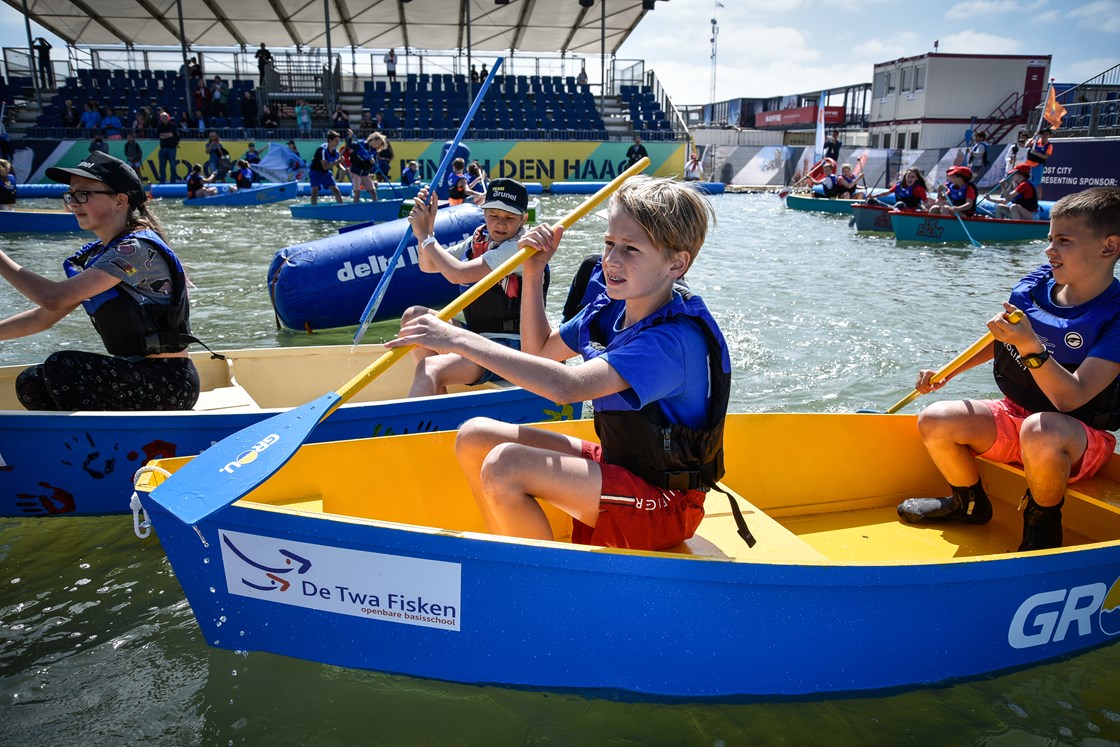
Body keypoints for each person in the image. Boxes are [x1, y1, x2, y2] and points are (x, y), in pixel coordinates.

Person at [387, 176, 728, 552]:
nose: (611, 260)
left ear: (677, 263)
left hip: (665, 503)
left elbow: (567, 386)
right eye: (609, 243)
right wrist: (533, 271)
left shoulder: (669, 342)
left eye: (631, 249)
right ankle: (505, 550)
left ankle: (538, 586)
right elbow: (540, 350)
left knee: (506, 465)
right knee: (474, 436)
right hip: (620, 465)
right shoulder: (612, 307)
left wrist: (456, 338)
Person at [896, 187, 1120, 552]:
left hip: (1077, 439)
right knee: (935, 419)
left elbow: (1070, 398)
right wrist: (948, 372)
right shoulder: (1035, 287)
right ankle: (969, 504)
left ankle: (1042, 523)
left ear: (1108, 247)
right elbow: (1002, 339)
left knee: (1041, 428)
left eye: (1064, 241)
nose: (1050, 250)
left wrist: (1030, 344)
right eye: (1050, 239)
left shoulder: (1116, 314)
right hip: (1019, 415)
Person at [0, 151, 202, 411]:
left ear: (120, 201)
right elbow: (44, 317)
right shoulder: (101, 256)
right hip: (136, 375)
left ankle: (93, 448)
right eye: (71, 194)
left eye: (84, 194)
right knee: (31, 382)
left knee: (63, 367)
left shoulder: (136, 250)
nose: (73, 203)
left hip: (169, 382)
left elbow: (53, 297)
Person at [397, 178, 535, 398]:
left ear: (524, 218)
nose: (500, 224)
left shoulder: (521, 247)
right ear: (484, 213)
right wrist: (428, 230)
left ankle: (423, 415)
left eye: (509, 218)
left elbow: (457, 274)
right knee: (414, 317)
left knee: (429, 368)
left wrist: (424, 236)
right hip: (477, 337)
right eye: (494, 216)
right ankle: (436, 411)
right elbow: (428, 265)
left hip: (509, 349)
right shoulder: (478, 239)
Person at [308, 130, 343, 205]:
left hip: (326, 173)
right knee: (315, 191)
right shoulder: (322, 150)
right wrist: (338, 162)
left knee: (336, 190)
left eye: (338, 141)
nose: (338, 143)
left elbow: (337, 164)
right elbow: (325, 166)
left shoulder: (335, 151)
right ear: (330, 140)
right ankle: (314, 208)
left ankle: (341, 206)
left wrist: (344, 169)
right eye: (336, 141)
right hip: (315, 172)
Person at [344, 129, 379, 203]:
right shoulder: (361, 145)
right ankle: (354, 207)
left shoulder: (373, 150)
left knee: (373, 191)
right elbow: (349, 145)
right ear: (372, 140)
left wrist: (372, 162)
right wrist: (350, 137)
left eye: (377, 144)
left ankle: (376, 205)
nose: (376, 145)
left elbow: (373, 163)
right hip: (356, 171)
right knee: (357, 192)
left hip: (365, 173)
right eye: (376, 142)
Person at [1026, 126, 1054, 200]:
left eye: (1047, 134)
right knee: (1028, 182)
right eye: (1043, 134)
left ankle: (1038, 199)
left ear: (1049, 136)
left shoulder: (1049, 145)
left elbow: (1045, 156)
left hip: (1038, 165)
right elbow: (1026, 145)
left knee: (1037, 183)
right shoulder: (1036, 142)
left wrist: (1036, 153)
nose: (1045, 136)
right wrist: (1034, 136)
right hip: (1029, 164)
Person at [156, 111, 180, 183]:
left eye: (165, 117)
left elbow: (172, 135)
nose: (164, 119)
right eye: (162, 118)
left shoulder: (172, 125)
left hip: (171, 149)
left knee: (173, 166)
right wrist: (168, 135)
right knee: (162, 167)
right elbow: (158, 135)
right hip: (162, 148)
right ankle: (162, 181)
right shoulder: (160, 126)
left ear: (168, 117)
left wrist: (164, 135)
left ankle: (173, 182)